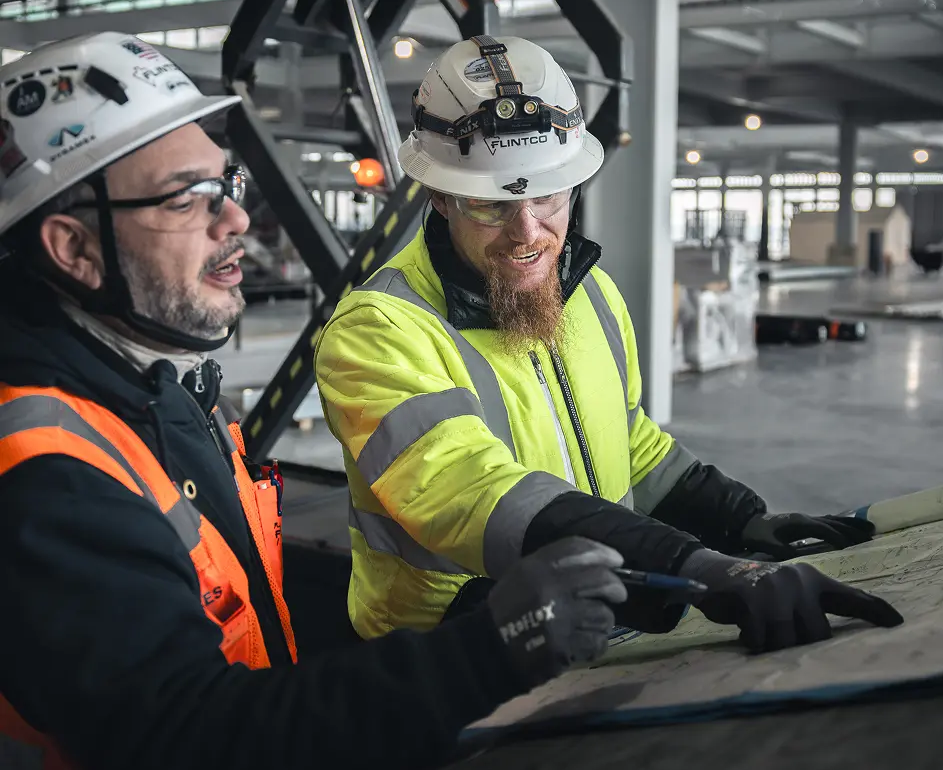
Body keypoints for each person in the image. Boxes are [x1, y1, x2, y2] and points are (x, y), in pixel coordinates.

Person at [0, 32, 631, 770]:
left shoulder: (157, 388)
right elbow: (187, 746)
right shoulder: (42, 469)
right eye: (184, 196)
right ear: (75, 247)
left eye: (222, 181)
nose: (235, 216)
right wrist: (481, 653)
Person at [315, 35, 903, 650]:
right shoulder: (378, 331)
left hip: (589, 622)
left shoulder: (589, 293)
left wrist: (741, 519)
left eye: (546, 197)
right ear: (440, 197)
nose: (527, 232)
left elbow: (629, 442)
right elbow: (471, 492)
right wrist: (689, 564)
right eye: (491, 206)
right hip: (453, 652)